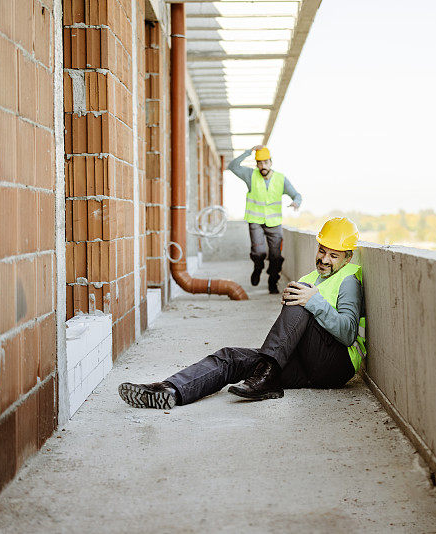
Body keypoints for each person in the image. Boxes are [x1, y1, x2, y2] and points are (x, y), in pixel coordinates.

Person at [118, 217, 367, 408]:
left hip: (335, 366)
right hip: (305, 363)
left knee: (301, 294)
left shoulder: (348, 280)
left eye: (334, 255)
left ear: (347, 258)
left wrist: (311, 301)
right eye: (322, 251)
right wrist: (297, 303)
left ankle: (265, 373)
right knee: (230, 358)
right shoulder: (312, 277)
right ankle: (169, 390)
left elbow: (347, 333)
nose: (324, 259)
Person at [227, 145, 302, 294]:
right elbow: (232, 166)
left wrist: (296, 203)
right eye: (259, 163)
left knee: (276, 257)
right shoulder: (251, 175)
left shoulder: (280, 179)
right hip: (255, 221)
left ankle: (272, 282)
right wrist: (248, 152)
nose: (263, 166)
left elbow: (296, 195)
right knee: (259, 252)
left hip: (274, 224)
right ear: (256, 164)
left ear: (271, 162)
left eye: (266, 162)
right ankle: (258, 267)